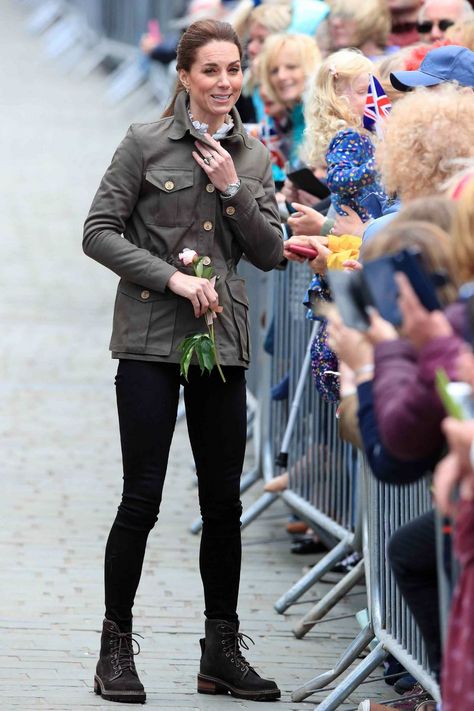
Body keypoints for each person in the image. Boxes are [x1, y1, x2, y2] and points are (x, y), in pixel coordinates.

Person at [83, 18, 283, 705]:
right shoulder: (144, 143)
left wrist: (233, 188)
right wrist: (170, 278)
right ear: (185, 75)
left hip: (219, 343)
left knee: (223, 500)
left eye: (234, 70)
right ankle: (115, 646)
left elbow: (269, 250)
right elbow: (97, 232)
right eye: (211, 71)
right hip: (148, 337)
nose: (225, 83)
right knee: (142, 493)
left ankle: (220, 650)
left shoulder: (251, 155)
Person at [304, 48, 388, 221]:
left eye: (374, 90)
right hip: (355, 225)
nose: (372, 98)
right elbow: (337, 179)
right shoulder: (349, 136)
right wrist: (377, 164)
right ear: (336, 99)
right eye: (363, 92)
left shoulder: (365, 132)